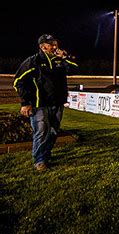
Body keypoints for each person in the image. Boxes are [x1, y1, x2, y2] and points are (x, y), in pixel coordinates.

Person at [13, 34, 78, 171]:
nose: (55, 46)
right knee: (41, 132)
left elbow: (74, 69)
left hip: (58, 103)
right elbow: (18, 82)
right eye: (51, 44)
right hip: (39, 105)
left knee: (53, 132)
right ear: (42, 47)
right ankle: (40, 160)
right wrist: (25, 102)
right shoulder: (33, 61)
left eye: (55, 43)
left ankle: (45, 155)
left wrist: (65, 58)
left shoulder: (59, 61)